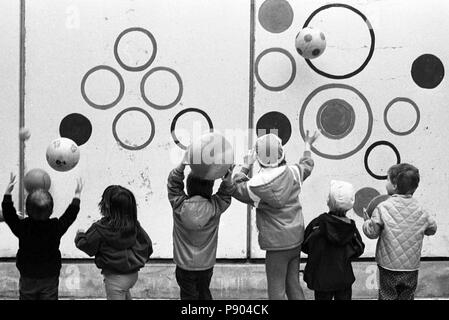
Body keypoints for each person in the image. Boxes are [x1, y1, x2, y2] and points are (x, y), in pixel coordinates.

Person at [230, 130, 319, 300]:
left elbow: (234, 187)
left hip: (276, 245)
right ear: (281, 152)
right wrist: (307, 144)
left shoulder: (254, 186)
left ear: (259, 158)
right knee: (293, 284)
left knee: (276, 290)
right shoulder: (293, 173)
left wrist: (246, 165)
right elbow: (307, 164)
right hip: (295, 240)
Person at [2, 173, 83, 300]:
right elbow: (70, 216)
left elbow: (9, 215)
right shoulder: (55, 227)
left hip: (28, 274)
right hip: (49, 275)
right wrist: (77, 196)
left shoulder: (22, 227)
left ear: (26, 210)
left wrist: (7, 194)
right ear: (51, 211)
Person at [363, 163, 437, 300]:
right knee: (407, 296)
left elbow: (372, 233)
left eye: (387, 180)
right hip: (411, 268)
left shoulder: (383, 207)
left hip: (388, 267)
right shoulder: (421, 210)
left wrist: (367, 222)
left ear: (395, 185)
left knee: (387, 295)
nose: (386, 183)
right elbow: (432, 229)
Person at [167, 152, 234, 300]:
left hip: (184, 267)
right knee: (204, 293)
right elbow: (225, 194)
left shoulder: (179, 206)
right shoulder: (215, 207)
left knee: (188, 297)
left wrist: (181, 166)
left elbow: (173, 186)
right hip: (206, 266)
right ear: (210, 189)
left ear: (188, 187)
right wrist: (227, 179)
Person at [75, 185, 152, 300]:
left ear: (105, 206)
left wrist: (80, 235)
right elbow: (148, 246)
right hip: (132, 275)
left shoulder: (100, 229)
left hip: (115, 280)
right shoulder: (134, 225)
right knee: (124, 293)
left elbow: (86, 245)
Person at [302, 180, 365, 300]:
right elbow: (359, 249)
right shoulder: (350, 227)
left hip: (321, 279)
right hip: (343, 278)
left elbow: (305, 245)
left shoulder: (317, 224)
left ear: (328, 201)